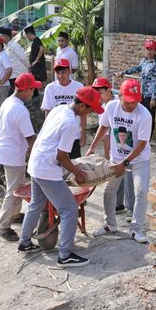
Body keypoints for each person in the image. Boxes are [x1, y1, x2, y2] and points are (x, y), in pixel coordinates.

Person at [18, 86, 104, 268]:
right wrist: (78, 172)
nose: (89, 114)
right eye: (90, 110)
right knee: (69, 209)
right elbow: (61, 156)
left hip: (36, 163)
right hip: (47, 169)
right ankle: (65, 255)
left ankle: (24, 243)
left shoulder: (59, 109)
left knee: (35, 204)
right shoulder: (71, 124)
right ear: (82, 106)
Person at [86, 79, 152, 243]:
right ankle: (110, 224)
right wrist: (92, 147)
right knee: (109, 191)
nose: (132, 105)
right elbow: (104, 127)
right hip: (117, 158)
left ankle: (136, 229)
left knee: (141, 191)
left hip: (139, 159)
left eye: (136, 101)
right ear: (120, 95)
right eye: (129, 101)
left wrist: (125, 163)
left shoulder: (144, 115)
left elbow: (142, 144)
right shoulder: (111, 107)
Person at [0, 73, 39, 241]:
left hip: (8, 149)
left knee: (18, 186)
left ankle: (14, 215)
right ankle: (3, 226)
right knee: (13, 191)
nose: (33, 92)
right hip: (12, 152)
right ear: (26, 90)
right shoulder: (20, 110)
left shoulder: (9, 102)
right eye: (32, 89)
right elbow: (30, 138)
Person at [91, 77, 133, 217]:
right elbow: (105, 133)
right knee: (116, 173)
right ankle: (118, 205)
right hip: (117, 148)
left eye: (100, 92)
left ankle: (131, 209)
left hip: (130, 147)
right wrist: (107, 155)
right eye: (95, 93)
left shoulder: (121, 102)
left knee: (129, 179)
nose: (98, 96)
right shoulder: (103, 107)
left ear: (109, 90)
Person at [116, 39, 156, 139]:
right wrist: (123, 72)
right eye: (147, 49)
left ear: (155, 50)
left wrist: (153, 98)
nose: (149, 51)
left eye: (151, 49)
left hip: (150, 95)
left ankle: (147, 139)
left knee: (149, 116)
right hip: (141, 93)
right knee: (139, 114)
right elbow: (136, 69)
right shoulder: (144, 61)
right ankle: (139, 135)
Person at [42, 58, 84, 159]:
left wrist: (83, 132)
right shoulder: (50, 88)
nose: (61, 76)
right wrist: (46, 131)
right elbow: (48, 111)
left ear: (69, 71)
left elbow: (83, 112)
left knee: (75, 162)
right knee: (57, 162)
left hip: (74, 134)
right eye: (58, 73)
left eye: (63, 72)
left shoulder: (78, 87)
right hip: (56, 133)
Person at [0, 28, 31, 96]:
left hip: (18, 74)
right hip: (12, 75)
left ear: (7, 36)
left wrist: (29, 67)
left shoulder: (14, 45)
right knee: (15, 94)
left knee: (14, 94)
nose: (1, 38)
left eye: (2, 36)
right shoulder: (5, 47)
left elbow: (23, 58)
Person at [24, 25, 47, 97]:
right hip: (35, 67)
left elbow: (42, 48)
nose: (27, 37)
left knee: (38, 84)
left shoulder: (37, 40)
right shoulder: (35, 41)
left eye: (26, 36)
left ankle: (38, 99)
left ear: (29, 34)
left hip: (38, 67)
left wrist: (36, 60)